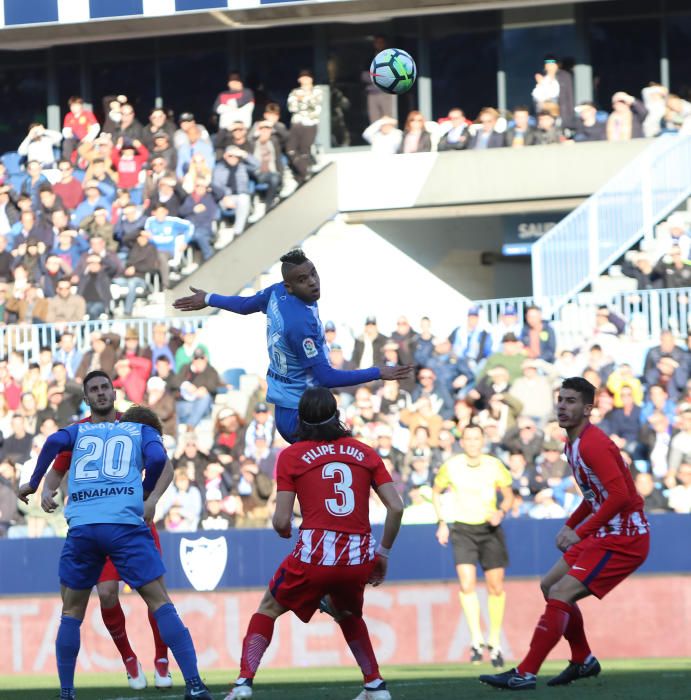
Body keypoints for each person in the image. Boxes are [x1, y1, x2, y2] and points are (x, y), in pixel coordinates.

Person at [21, 395, 212, 700]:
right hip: (112, 523)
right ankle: (137, 662)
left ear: (110, 396)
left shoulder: (120, 425)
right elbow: (59, 463)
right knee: (118, 595)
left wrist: (150, 500)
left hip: (109, 523)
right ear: (86, 396)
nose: (101, 395)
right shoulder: (115, 429)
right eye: (94, 389)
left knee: (88, 607)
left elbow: (164, 466)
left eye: (104, 388)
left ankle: (162, 661)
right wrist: (45, 487)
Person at [224, 386, 404, 700]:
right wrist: (383, 552)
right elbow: (397, 507)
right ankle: (375, 685)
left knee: (267, 608)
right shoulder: (365, 452)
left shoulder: (291, 455)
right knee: (347, 614)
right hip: (357, 554)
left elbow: (281, 521)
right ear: (337, 415)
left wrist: (285, 530)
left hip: (316, 553)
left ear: (300, 420)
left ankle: (243, 683)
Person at [480, 377, 649, 690]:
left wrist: (581, 530)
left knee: (561, 593)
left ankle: (525, 672)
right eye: (561, 400)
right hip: (605, 532)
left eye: (571, 401)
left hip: (624, 537)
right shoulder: (573, 442)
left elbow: (621, 496)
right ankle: (583, 659)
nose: (562, 406)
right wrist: (572, 525)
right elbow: (593, 495)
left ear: (588, 409)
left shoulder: (593, 443)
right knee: (549, 586)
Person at [173, 248, 411, 442]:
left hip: (284, 407)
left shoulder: (278, 292)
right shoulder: (300, 326)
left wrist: (208, 298)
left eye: (313, 274)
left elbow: (246, 306)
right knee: (348, 460)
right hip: (305, 415)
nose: (312, 282)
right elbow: (326, 378)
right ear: (290, 286)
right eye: (302, 280)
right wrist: (378, 372)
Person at [432, 424, 513, 667]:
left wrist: (501, 511)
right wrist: (442, 521)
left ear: (483, 441)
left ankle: (495, 641)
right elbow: (436, 492)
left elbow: (509, 495)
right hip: (462, 529)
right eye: (468, 438)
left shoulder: (494, 465)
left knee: (495, 587)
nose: (472, 443)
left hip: (489, 529)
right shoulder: (452, 466)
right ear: (462, 442)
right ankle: (476, 639)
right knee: (467, 584)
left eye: (477, 438)